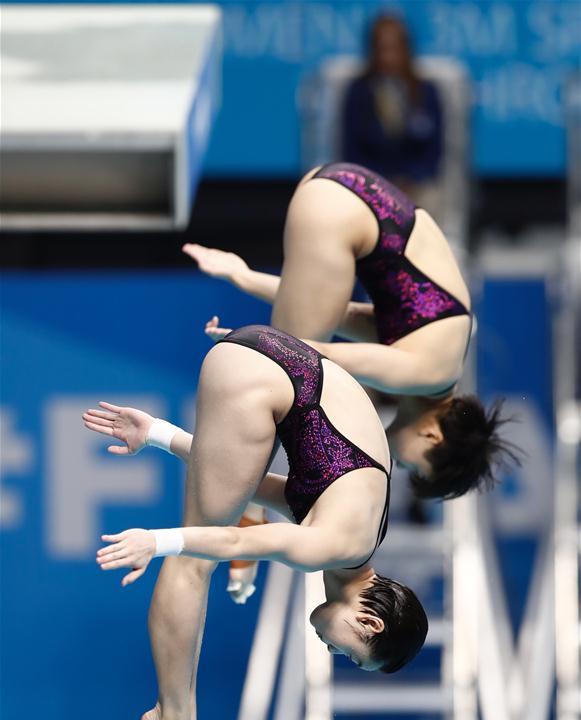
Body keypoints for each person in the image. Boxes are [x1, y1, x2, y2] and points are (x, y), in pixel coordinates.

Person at [83, 325, 428, 720]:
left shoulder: (363, 533)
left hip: (269, 353)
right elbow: (228, 543)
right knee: (193, 564)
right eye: (349, 652)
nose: (332, 652)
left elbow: (253, 485)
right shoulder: (333, 549)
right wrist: (156, 541)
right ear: (369, 621)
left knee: (216, 528)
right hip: (263, 376)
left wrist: (161, 436)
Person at [183, 162, 518, 502]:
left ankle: (247, 518)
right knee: (280, 384)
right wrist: (248, 344)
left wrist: (244, 277)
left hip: (341, 184)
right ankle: (249, 520)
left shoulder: (435, 354)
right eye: (414, 468)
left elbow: (334, 309)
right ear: (433, 436)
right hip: (340, 213)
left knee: (280, 372)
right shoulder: (428, 374)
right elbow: (319, 355)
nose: (399, 466)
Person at [341, 13, 443, 215]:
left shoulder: (426, 91)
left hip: (416, 185)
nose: (388, 57)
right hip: (372, 185)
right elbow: (351, 151)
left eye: (394, 49)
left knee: (430, 199)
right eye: (382, 49)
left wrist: (409, 179)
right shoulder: (358, 92)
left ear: (407, 49)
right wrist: (380, 183)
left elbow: (435, 151)